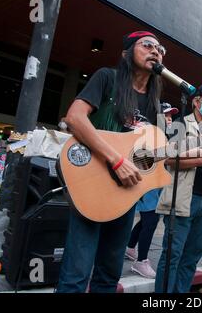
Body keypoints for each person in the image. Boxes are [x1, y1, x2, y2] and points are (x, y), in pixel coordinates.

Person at [56, 31, 166, 293]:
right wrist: (116, 160)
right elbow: (75, 118)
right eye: (147, 45)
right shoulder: (107, 77)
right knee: (77, 272)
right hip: (90, 182)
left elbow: (143, 154)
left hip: (125, 192)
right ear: (126, 53)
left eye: (160, 49)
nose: (156, 51)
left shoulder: (154, 103)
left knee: (109, 273)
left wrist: (194, 155)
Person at [154, 84, 202, 293]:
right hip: (182, 198)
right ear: (196, 102)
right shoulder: (180, 125)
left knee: (193, 255)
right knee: (172, 255)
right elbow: (168, 159)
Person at [125, 102, 179, 279]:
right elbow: (140, 158)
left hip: (156, 183)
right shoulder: (147, 132)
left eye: (171, 116)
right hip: (146, 182)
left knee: (147, 219)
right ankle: (141, 262)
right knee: (151, 220)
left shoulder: (166, 135)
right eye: (166, 115)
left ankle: (130, 247)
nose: (170, 119)